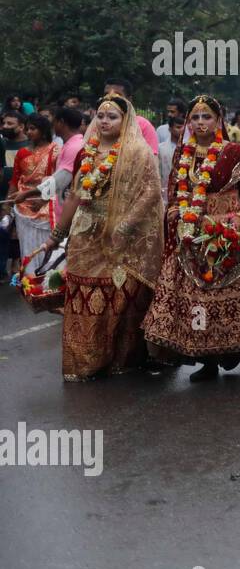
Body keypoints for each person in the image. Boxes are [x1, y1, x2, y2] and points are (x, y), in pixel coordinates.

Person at [41, 95, 163, 381]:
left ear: (126, 121)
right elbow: (75, 195)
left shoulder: (137, 152)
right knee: (83, 292)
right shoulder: (87, 152)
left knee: (119, 297)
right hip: (86, 233)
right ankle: (84, 362)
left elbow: (150, 195)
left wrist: (123, 227)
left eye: (113, 117)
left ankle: (120, 359)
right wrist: (56, 235)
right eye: (101, 116)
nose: (105, 121)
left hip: (123, 237)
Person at [142, 96, 240, 379]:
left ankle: (231, 350)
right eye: (195, 118)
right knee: (198, 297)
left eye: (207, 117)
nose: (200, 123)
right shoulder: (183, 153)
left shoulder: (234, 152)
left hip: (225, 232)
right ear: (188, 122)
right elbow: (173, 190)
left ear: (219, 121)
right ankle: (206, 359)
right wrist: (173, 211)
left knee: (225, 294)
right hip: (191, 233)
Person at [6, 114, 60, 274]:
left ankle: (48, 279)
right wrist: (8, 205)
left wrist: (44, 200)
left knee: (46, 245)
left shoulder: (55, 151)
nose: (29, 132)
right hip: (23, 208)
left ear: (43, 131)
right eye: (27, 128)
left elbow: (58, 180)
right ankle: (30, 278)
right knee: (27, 246)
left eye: (33, 129)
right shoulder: (22, 153)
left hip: (46, 207)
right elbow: (15, 180)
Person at [102, 79, 159, 154]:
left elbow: (151, 160)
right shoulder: (100, 122)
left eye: (117, 95)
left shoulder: (143, 125)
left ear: (129, 99)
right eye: (106, 94)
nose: (110, 98)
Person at [50, 106, 84, 205]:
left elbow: (61, 179)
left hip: (67, 206)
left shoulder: (74, 147)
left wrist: (29, 193)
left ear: (61, 122)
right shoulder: (71, 144)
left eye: (54, 123)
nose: (53, 127)